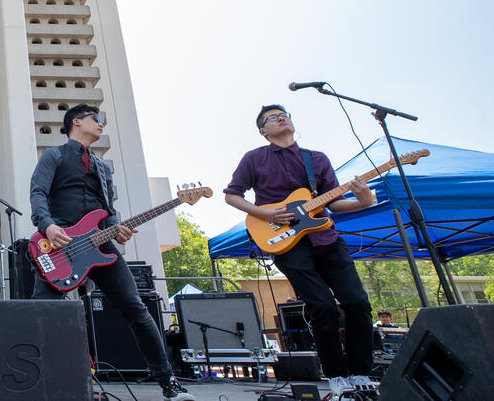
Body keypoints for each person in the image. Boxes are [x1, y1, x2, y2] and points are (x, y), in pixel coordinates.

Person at [29, 104, 193, 401]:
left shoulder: (102, 168)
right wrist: (49, 225)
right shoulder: (53, 155)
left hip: (101, 245)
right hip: (60, 244)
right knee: (44, 311)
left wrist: (119, 228)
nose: (102, 124)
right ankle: (38, 383)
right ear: (76, 122)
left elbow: (109, 212)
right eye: (96, 119)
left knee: (137, 310)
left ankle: (168, 381)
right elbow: (38, 193)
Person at [224, 104, 376, 396]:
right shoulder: (254, 158)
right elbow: (232, 195)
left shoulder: (316, 159)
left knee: (357, 302)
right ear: (263, 131)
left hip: (327, 239)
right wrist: (266, 215)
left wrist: (364, 200)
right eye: (272, 118)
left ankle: (360, 373)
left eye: (284, 114)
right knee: (322, 306)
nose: (281, 118)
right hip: (287, 243)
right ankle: (335, 376)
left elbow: (335, 203)